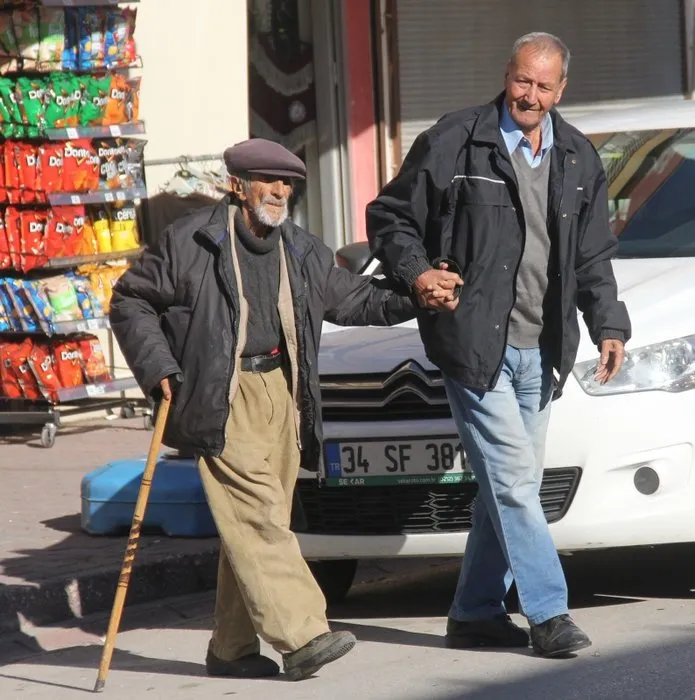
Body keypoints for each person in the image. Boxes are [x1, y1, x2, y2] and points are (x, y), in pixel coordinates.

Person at [109, 138, 438, 681]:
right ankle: (304, 633)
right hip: (220, 389)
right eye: (270, 180)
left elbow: (353, 299)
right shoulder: (190, 241)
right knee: (259, 515)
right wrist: (158, 366)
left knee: (256, 524)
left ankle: (232, 649)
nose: (282, 191)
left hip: (283, 392)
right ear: (237, 185)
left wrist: (416, 297)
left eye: (288, 183)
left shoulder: (300, 248)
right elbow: (130, 299)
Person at [365, 32, 631, 657]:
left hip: (544, 346)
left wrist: (609, 325)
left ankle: (476, 612)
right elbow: (390, 217)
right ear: (506, 76)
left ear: (561, 91)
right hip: (474, 342)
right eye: (521, 81)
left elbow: (592, 254)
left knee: (506, 485)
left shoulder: (576, 156)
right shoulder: (455, 139)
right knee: (514, 482)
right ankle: (548, 613)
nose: (529, 95)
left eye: (543, 86)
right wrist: (417, 272)